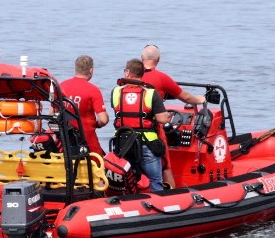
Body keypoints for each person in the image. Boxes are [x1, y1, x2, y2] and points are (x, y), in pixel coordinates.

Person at [140, 44, 205, 188]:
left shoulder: (130, 78)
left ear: (141, 58)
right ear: (158, 59)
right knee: (166, 165)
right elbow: (186, 97)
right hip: (153, 130)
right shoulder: (161, 78)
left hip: (127, 132)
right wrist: (199, 100)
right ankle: (171, 196)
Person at [111, 58, 170, 191]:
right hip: (146, 144)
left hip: (122, 144)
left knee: (126, 180)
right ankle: (158, 206)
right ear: (142, 73)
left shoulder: (116, 92)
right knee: (155, 181)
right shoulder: (150, 93)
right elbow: (162, 119)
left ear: (127, 73)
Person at [59, 55, 109, 156]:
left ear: (75, 68)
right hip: (87, 139)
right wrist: (97, 124)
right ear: (91, 70)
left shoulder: (61, 86)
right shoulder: (93, 90)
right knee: (99, 164)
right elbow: (103, 119)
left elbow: (52, 112)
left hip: (65, 139)